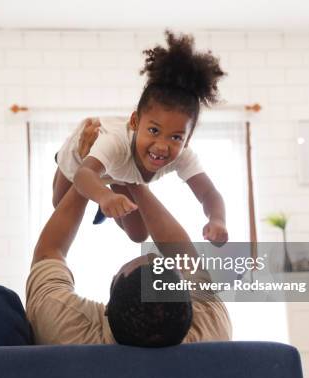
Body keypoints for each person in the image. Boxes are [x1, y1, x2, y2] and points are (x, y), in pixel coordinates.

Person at [52, 30, 228, 245]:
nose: (163, 146)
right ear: (135, 123)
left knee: (138, 235)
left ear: (188, 139)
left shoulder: (183, 156)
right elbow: (84, 174)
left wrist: (217, 220)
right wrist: (103, 196)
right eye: (154, 131)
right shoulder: (115, 142)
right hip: (85, 152)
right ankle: (87, 180)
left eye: (176, 137)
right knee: (59, 204)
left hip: (118, 169)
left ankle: (107, 191)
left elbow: (209, 192)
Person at [27, 178, 231, 346]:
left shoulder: (66, 328)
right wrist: (134, 182)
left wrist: (87, 174)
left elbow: (49, 251)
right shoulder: (210, 328)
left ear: (106, 309)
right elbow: (184, 254)